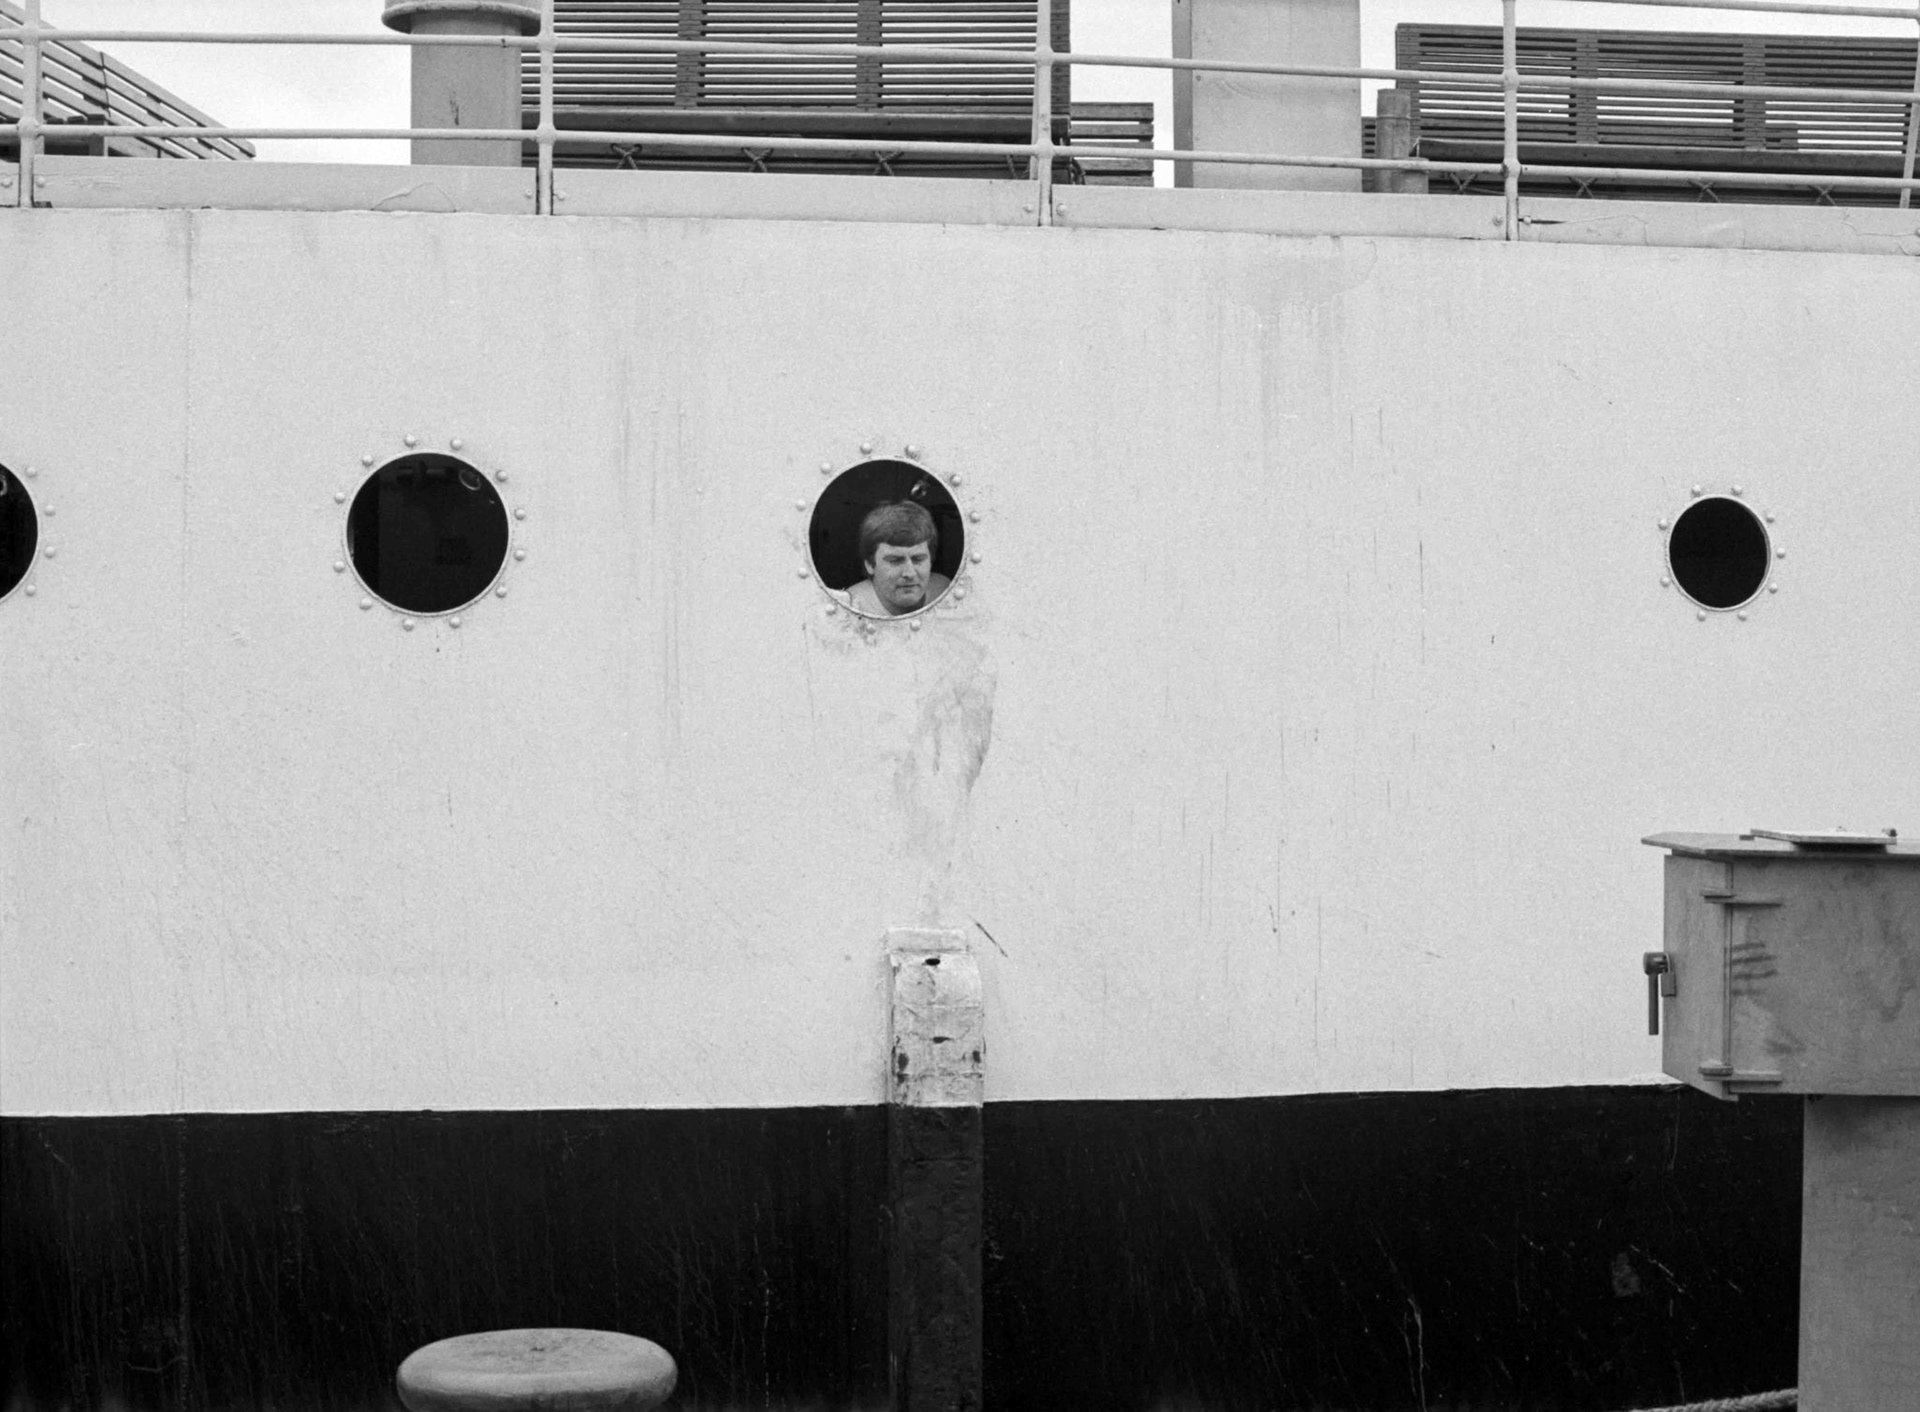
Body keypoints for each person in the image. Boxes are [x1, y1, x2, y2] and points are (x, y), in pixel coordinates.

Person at [842, 500, 951, 617]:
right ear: (870, 564)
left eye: (918, 559)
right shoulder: (850, 608)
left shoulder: (943, 589)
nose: (909, 573)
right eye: (895, 561)